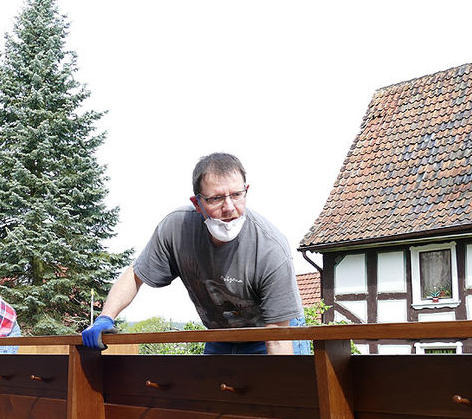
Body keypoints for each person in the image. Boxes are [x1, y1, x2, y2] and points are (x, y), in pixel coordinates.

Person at [82, 152, 308, 354]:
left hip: (273, 331)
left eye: (237, 195)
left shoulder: (269, 248)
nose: (229, 207)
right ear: (197, 203)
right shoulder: (177, 230)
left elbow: (278, 339)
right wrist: (105, 317)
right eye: (216, 198)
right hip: (221, 334)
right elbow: (136, 275)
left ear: (246, 191)